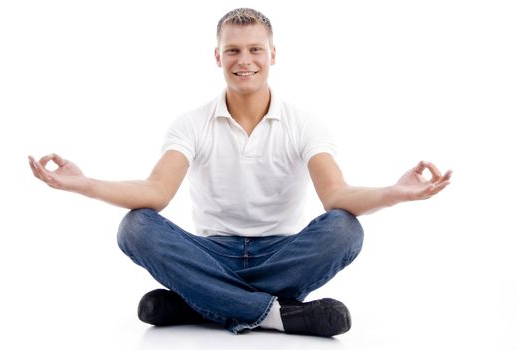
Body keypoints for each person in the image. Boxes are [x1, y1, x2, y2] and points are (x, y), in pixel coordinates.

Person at [28, 8, 452, 337]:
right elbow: (156, 192)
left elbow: (336, 196)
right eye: (233, 50)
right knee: (135, 227)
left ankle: (198, 303)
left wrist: (396, 192)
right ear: (217, 56)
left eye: (254, 49)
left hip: (282, 255)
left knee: (345, 229)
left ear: (272, 55)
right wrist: (83, 185)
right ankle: (273, 314)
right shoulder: (191, 123)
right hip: (212, 252)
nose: (243, 60)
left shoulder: (305, 124)